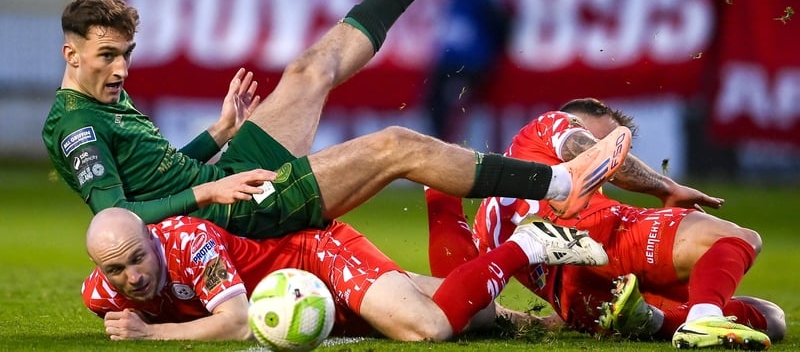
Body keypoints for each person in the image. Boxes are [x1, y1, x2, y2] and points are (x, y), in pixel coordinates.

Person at [42, 0, 629, 241]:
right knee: (398, 145)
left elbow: (153, 172)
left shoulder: (103, 97)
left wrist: (216, 137)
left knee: (306, 69)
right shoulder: (76, 128)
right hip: (227, 217)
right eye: (106, 57)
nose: (121, 68)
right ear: (72, 56)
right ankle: (561, 185)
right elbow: (115, 218)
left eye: (125, 53)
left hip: (223, 181)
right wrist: (209, 186)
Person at [424, 98, 784, 350]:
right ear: (573, 120)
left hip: (584, 305)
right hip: (610, 238)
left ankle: (653, 320)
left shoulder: (490, 219)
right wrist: (667, 188)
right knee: (736, 237)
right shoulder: (547, 126)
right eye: (605, 137)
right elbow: (591, 153)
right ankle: (698, 319)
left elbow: (459, 296)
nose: (612, 151)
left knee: (769, 317)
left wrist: (440, 197)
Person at [82, 207, 607, 341]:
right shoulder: (101, 292)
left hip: (320, 260)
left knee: (424, 329)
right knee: (477, 315)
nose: (132, 277)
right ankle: (561, 323)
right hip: (306, 303)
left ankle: (526, 244)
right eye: (117, 270)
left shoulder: (191, 243)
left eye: (138, 258)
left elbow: (238, 322)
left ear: (154, 239)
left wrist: (152, 332)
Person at [424, 0, 507, 145]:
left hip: (471, 64)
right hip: (453, 61)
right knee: (434, 101)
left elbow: (500, 26)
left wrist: (491, 56)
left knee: (457, 105)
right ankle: (439, 141)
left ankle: (450, 144)